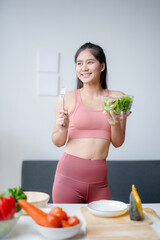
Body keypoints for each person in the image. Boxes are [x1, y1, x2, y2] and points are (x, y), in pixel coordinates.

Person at [51, 42, 131, 203]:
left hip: (99, 183)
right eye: (79, 63)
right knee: (69, 227)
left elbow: (118, 142)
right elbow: (58, 142)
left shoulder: (118, 98)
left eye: (90, 62)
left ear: (102, 66)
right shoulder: (67, 98)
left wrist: (114, 123)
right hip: (67, 180)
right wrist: (62, 129)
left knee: (101, 227)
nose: (84, 68)